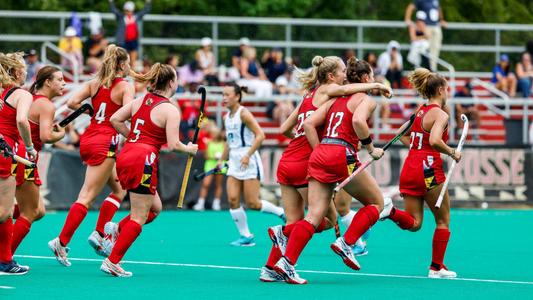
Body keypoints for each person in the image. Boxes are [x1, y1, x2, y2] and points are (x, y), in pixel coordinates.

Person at [259, 56, 391, 282]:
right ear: (331, 76)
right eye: (340, 72)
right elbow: (354, 105)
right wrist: (378, 86)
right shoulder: (331, 91)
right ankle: (342, 243)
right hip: (308, 161)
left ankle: (272, 267)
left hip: (289, 159)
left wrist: (322, 146)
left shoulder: (310, 95)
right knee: (326, 220)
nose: (343, 77)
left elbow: (287, 128)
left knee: (298, 220)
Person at [97, 63, 198, 277]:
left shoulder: (139, 101)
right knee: (139, 217)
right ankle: (112, 261)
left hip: (127, 154)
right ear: (171, 82)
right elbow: (173, 144)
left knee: (156, 208)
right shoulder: (170, 109)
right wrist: (189, 149)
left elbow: (115, 119)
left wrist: (133, 136)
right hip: (143, 159)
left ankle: (116, 230)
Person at [48, 45, 134, 266]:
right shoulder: (124, 86)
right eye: (128, 63)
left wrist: (91, 110)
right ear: (122, 64)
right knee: (86, 197)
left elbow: (71, 103)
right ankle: (61, 241)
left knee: (119, 189)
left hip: (91, 137)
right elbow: (127, 116)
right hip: (106, 141)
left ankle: (99, 233)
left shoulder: (94, 83)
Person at [382, 68, 461, 279]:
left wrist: (417, 147)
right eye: (447, 90)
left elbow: (399, 133)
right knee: (443, 220)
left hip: (411, 166)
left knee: (414, 223)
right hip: (428, 168)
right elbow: (435, 140)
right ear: (441, 90)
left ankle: (390, 212)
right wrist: (452, 152)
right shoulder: (440, 114)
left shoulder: (420, 111)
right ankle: (436, 268)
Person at [217, 83, 284, 247]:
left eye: (227, 95)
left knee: (253, 203)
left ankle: (281, 212)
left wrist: (247, 155)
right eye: (223, 95)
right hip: (234, 160)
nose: (224, 98)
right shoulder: (227, 117)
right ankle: (246, 236)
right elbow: (229, 141)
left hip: (249, 159)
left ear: (237, 96)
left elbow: (260, 135)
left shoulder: (244, 114)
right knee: (233, 199)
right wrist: (222, 160)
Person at [11, 66, 67, 254]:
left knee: (39, 210)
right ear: (48, 82)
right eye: (59, 79)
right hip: (25, 157)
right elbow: (45, 136)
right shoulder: (46, 105)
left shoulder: (31, 98)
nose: (64, 83)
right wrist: (61, 134)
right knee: (30, 212)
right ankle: (5, 257)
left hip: (14, 154)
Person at [0, 52, 38, 275]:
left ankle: (5, 260)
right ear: (15, 71)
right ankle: (4, 262)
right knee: (4, 212)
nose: (27, 71)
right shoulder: (21, 94)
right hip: (4, 154)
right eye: (23, 68)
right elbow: (22, 120)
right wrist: (30, 147)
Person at [405, 0, 447, 71]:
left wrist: (441, 20)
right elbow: (410, 7)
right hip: (427, 26)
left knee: (435, 48)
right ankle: (426, 68)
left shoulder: (435, 1)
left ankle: (433, 68)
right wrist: (407, 19)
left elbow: (438, 9)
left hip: (435, 26)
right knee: (426, 48)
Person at [109, 0, 152, 69]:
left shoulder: (135, 17)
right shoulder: (121, 17)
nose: (128, 12)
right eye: (126, 10)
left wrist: (148, 3)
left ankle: (131, 75)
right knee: (123, 60)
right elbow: (114, 10)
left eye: (129, 10)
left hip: (133, 41)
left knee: (133, 61)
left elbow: (145, 11)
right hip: (123, 41)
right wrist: (111, 2)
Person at [193, 123, 226, 211]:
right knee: (206, 184)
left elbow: (226, 155)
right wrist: (214, 157)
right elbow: (206, 156)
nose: (213, 135)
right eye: (212, 133)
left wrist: (220, 158)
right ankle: (200, 203)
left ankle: (216, 204)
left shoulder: (223, 144)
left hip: (220, 166)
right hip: (210, 165)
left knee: (218, 185)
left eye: (214, 133)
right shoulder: (209, 142)